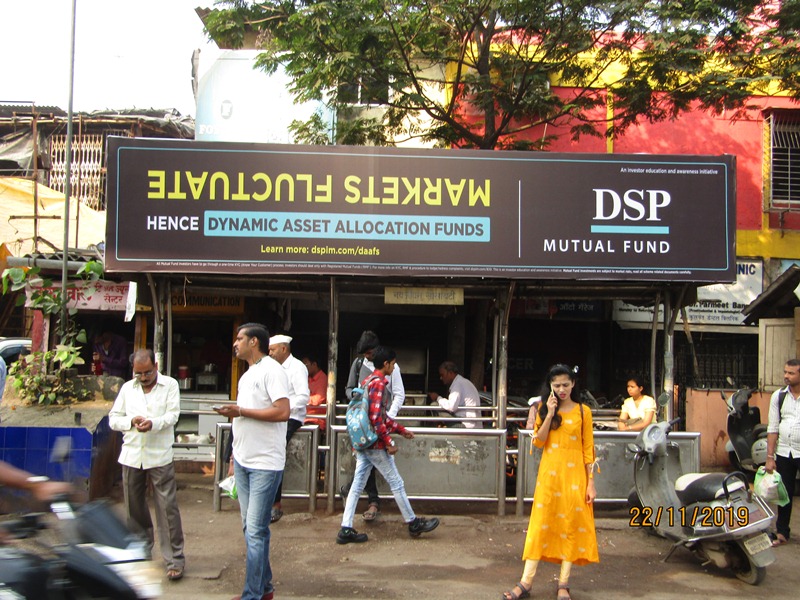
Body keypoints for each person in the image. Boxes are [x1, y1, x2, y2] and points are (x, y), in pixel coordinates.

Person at [502, 364, 598, 600]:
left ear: (573, 384)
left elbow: (588, 449)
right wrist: (550, 414)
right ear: (550, 386)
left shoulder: (584, 411)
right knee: (539, 527)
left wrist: (591, 483)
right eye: (557, 385)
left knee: (570, 527)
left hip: (575, 478)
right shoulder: (543, 409)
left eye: (566, 384)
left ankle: (563, 583)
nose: (562, 389)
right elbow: (538, 442)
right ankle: (526, 582)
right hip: (549, 477)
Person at [214, 323, 289, 600]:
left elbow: (283, 411)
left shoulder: (272, 371)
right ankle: (264, 589)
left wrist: (241, 411)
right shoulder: (247, 376)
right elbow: (241, 420)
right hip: (244, 461)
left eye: (240, 338)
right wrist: (233, 458)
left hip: (265, 464)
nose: (235, 343)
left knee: (255, 531)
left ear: (254, 342)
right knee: (252, 528)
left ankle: (252, 594)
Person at [337, 345, 439, 544]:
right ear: (386, 364)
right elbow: (377, 418)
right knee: (396, 482)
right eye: (393, 364)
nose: (394, 367)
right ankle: (412, 522)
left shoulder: (368, 381)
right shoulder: (379, 385)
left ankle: (346, 528)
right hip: (375, 445)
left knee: (357, 485)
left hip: (364, 442)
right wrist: (389, 441)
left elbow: (379, 417)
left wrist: (400, 430)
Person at [108, 349, 185, 582]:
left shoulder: (170, 385)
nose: (143, 377)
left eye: (148, 372)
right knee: (134, 507)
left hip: (160, 455)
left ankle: (174, 559)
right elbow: (113, 419)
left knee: (167, 508)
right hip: (132, 454)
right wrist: (130, 422)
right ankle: (140, 551)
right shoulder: (127, 388)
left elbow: (173, 416)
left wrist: (153, 423)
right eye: (139, 374)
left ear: (156, 366)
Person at [341, 330, 406, 522]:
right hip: (366, 426)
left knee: (363, 471)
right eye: (364, 354)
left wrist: (389, 418)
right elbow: (349, 389)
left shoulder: (389, 371)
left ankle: (350, 517)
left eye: (369, 353)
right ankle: (376, 503)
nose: (366, 357)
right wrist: (356, 397)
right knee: (391, 478)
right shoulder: (361, 367)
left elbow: (398, 395)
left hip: (378, 425)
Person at [267, 334, 309, 523]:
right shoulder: (271, 368)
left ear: (283, 349)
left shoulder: (297, 367)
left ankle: (276, 504)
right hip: (274, 414)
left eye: (273, 350)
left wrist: (284, 408)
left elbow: (303, 397)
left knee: (275, 452)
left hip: (292, 417)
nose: (270, 353)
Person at [765, 358, 800, 547]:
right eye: (785, 372)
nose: (786, 376)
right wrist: (770, 457)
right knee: (784, 494)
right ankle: (782, 533)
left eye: (791, 373)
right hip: (785, 452)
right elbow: (773, 428)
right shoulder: (779, 396)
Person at [427, 360, 484, 429]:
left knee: (434, 405)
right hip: (471, 423)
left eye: (442, 375)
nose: (441, 378)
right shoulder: (463, 382)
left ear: (450, 373)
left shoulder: (458, 384)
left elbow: (451, 406)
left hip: (465, 424)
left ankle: (441, 425)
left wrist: (437, 398)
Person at [302, 353, 328, 429]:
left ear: (314, 364)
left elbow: (318, 399)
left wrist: (301, 399)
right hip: (304, 417)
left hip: (315, 419)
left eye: (306, 365)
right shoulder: (307, 378)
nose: (303, 368)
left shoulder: (323, 379)